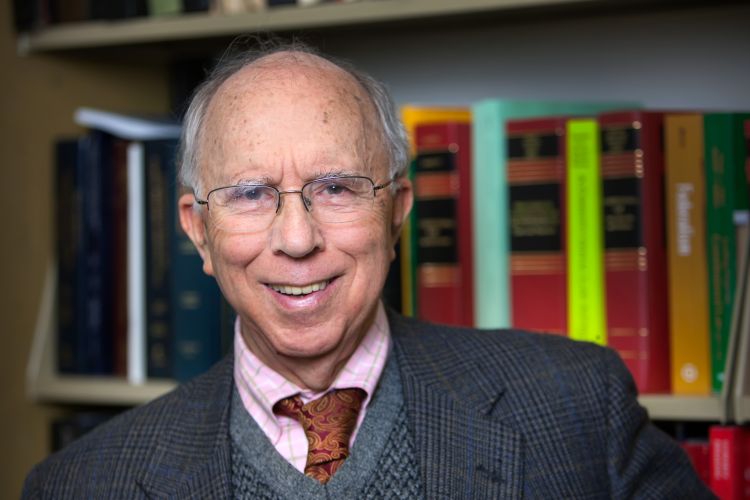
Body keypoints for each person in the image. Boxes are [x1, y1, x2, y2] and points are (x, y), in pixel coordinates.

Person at [23, 41, 714, 499]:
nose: (297, 240)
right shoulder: (82, 483)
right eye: (251, 194)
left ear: (397, 211)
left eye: (336, 187)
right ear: (198, 231)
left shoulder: (578, 409)